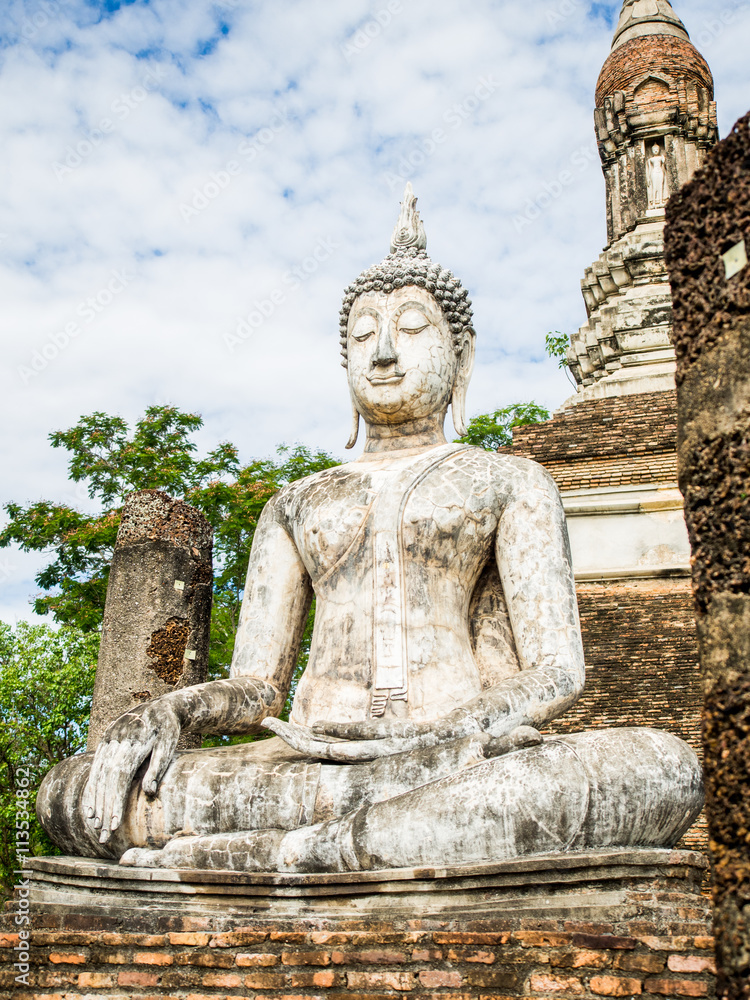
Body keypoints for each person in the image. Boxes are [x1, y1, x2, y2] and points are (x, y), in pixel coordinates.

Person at [37, 186, 702, 873]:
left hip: (449, 757)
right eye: (361, 335)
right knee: (73, 793)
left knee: (657, 768)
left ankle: (287, 852)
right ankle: (336, 840)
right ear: (344, 359)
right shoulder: (297, 501)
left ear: (461, 357)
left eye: (412, 329)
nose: (383, 352)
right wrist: (175, 712)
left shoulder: (509, 481)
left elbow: (558, 670)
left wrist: (454, 731)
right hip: (301, 760)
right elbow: (258, 688)